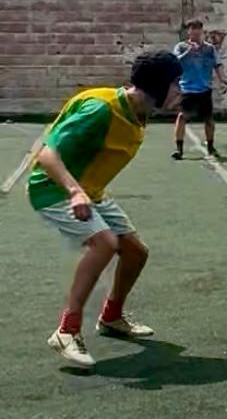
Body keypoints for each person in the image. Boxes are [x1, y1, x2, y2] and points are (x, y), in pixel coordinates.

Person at [32, 50, 184, 368]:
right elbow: (46, 154)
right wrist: (75, 192)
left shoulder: (139, 112)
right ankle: (66, 331)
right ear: (158, 85)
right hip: (54, 189)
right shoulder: (100, 110)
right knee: (104, 244)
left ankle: (111, 318)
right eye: (175, 83)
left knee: (136, 253)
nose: (180, 89)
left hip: (92, 191)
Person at [171, 19, 227, 160]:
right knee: (182, 117)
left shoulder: (209, 49)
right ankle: (179, 149)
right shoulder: (181, 47)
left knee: (209, 120)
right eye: (192, 30)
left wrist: (223, 80)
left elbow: (217, 65)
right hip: (187, 89)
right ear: (188, 32)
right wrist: (188, 52)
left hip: (204, 89)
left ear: (202, 32)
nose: (195, 33)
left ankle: (210, 146)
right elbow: (175, 62)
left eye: (198, 30)